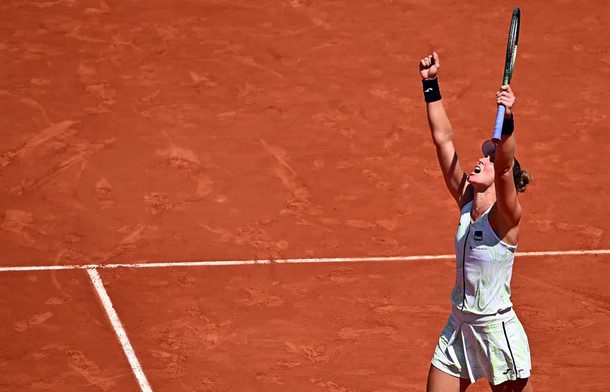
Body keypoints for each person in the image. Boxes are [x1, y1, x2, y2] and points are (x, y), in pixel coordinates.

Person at [419, 52, 533, 392]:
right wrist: (430, 84)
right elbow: (443, 139)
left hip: (497, 334)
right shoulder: (467, 201)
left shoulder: (506, 217)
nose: (481, 159)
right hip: (460, 327)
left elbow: (504, 162)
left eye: (488, 157)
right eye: (483, 155)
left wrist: (508, 117)